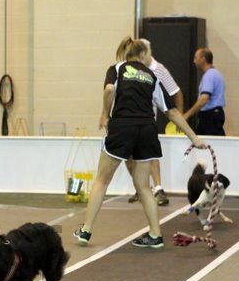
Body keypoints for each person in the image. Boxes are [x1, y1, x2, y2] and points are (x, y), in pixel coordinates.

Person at [75, 38, 206, 248]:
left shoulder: (117, 69)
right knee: (144, 186)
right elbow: (171, 111)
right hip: (147, 129)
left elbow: (109, 90)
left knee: (101, 181)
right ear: (142, 55)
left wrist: (104, 114)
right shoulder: (151, 75)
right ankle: (156, 235)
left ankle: (86, 231)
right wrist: (194, 138)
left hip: (122, 127)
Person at [119, 38, 185, 206]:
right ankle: (140, 188)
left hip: (147, 120)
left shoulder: (158, 70)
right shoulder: (123, 69)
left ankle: (158, 189)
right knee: (129, 157)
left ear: (145, 53)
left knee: (150, 155)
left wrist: (180, 119)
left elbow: (176, 92)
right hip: (127, 121)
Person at [184, 48, 226, 136]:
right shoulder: (216, 74)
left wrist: (187, 115)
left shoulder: (209, 75)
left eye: (196, 58)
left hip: (211, 116)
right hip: (211, 115)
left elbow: (204, 99)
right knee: (199, 142)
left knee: (214, 144)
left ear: (203, 59)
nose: (194, 61)